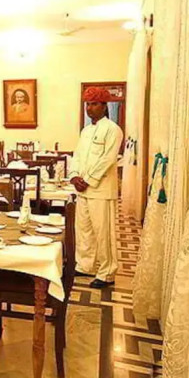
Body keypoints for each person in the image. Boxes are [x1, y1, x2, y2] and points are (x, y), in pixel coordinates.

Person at [69, 86, 124, 288]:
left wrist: (88, 180)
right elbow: (77, 156)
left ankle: (107, 273)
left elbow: (108, 159)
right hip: (82, 190)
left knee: (103, 233)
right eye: (87, 104)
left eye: (94, 104)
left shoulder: (113, 129)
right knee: (84, 230)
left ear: (104, 106)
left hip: (101, 191)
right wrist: (75, 176)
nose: (89, 108)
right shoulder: (86, 131)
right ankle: (85, 266)